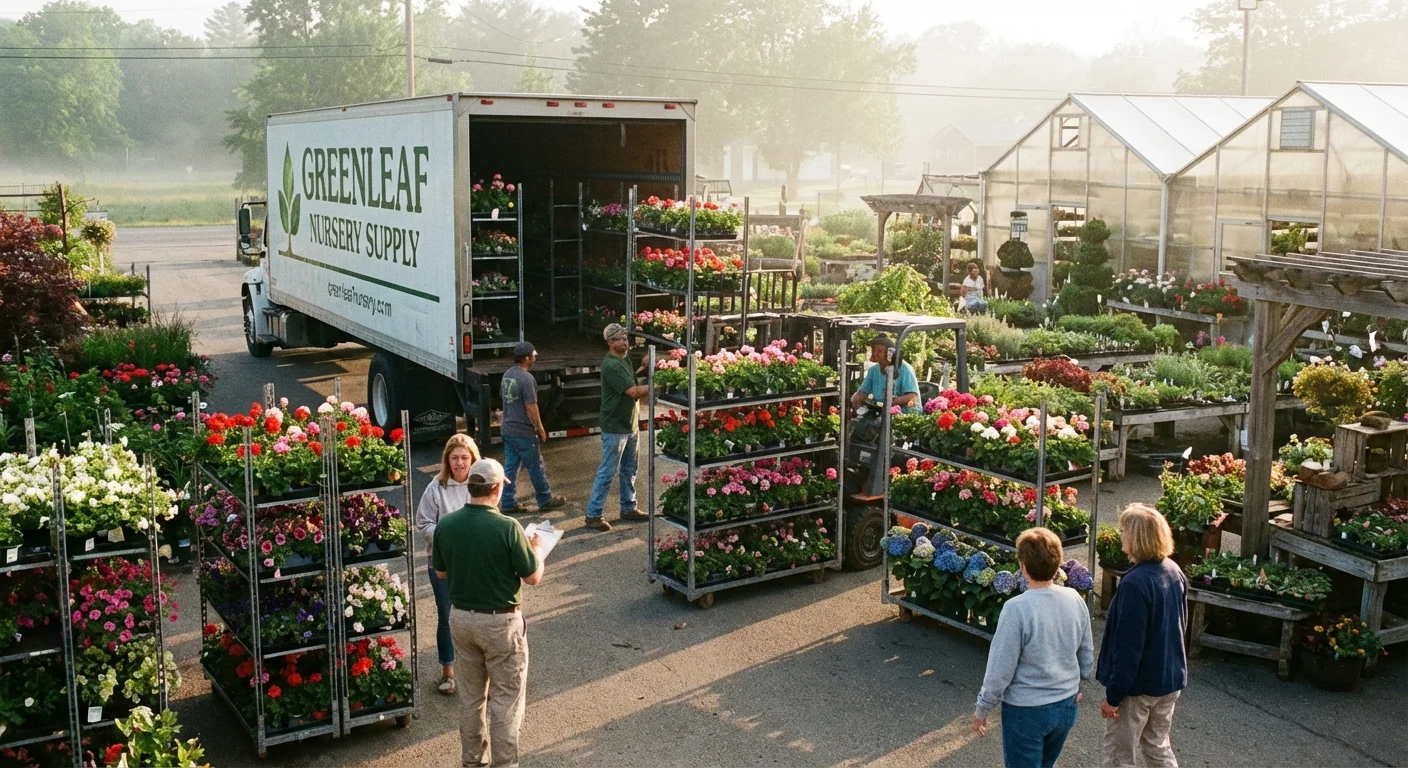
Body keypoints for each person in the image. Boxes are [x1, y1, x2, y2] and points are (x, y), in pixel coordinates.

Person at [433, 458, 548, 768]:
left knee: (471, 699)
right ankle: (504, 764)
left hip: (461, 619)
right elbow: (532, 577)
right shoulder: (508, 527)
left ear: (471, 486)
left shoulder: (446, 524)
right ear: (497, 488)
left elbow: (441, 573)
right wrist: (536, 548)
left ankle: (472, 762)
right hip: (501, 623)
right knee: (505, 702)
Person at [974, 527, 1094, 768]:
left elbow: (1001, 667)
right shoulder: (1074, 599)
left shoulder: (1016, 609)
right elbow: (1086, 652)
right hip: (1066, 705)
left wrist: (983, 707)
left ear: (1023, 567)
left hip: (1027, 710)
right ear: (1058, 562)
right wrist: (1079, 682)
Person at [1098, 504, 1188, 768]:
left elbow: (1128, 649)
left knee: (1118, 756)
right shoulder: (1173, 570)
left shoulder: (1134, 584)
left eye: (1124, 530)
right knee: (1157, 747)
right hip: (1169, 679)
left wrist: (1113, 696)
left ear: (1136, 538)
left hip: (1138, 688)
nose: (1121, 534)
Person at [415, 433, 479, 695]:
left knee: (476, 615)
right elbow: (423, 523)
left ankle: (474, 672)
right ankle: (448, 672)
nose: (460, 463)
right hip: (443, 560)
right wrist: (446, 534)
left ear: (473, 459)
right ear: (447, 460)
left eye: (465, 458)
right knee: (447, 614)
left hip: (474, 561)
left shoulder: (480, 485)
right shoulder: (436, 487)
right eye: (455, 458)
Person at [584, 323, 650, 531]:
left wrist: (644, 367)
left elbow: (631, 379)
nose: (625, 342)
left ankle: (629, 507)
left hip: (630, 424)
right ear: (610, 343)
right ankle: (593, 514)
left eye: (625, 338)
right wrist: (660, 384)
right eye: (620, 339)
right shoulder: (611, 364)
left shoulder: (625, 359)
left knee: (630, 468)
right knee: (608, 471)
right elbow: (632, 391)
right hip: (615, 426)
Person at [498, 341, 567, 515]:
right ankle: (545, 499)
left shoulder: (507, 374)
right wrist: (540, 428)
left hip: (507, 429)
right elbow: (531, 407)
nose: (535, 357)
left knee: (510, 467)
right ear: (527, 358)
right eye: (533, 355)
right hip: (523, 432)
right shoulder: (527, 379)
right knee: (536, 466)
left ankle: (507, 502)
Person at [850, 333, 920, 414]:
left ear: (890, 353)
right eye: (874, 350)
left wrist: (892, 402)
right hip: (881, 413)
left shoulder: (905, 369)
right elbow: (862, 393)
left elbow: (912, 397)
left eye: (879, 351)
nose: (876, 354)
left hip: (904, 416)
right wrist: (854, 402)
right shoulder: (873, 370)